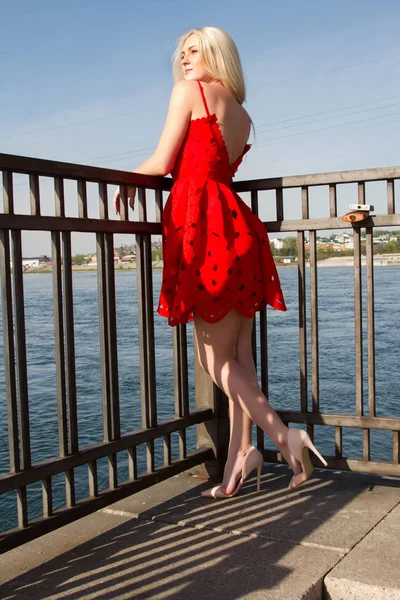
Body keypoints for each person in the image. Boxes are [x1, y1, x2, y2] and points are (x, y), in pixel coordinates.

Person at [114, 27, 327, 498]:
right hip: (238, 229)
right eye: (182, 53)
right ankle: (239, 457)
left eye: (195, 51)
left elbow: (163, 159)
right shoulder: (243, 113)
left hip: (203, 230)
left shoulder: (190, 93)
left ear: (217, 56)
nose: (185, 60)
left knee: (214, 362)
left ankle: (284, 438)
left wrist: (131, 174)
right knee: (239, 358)